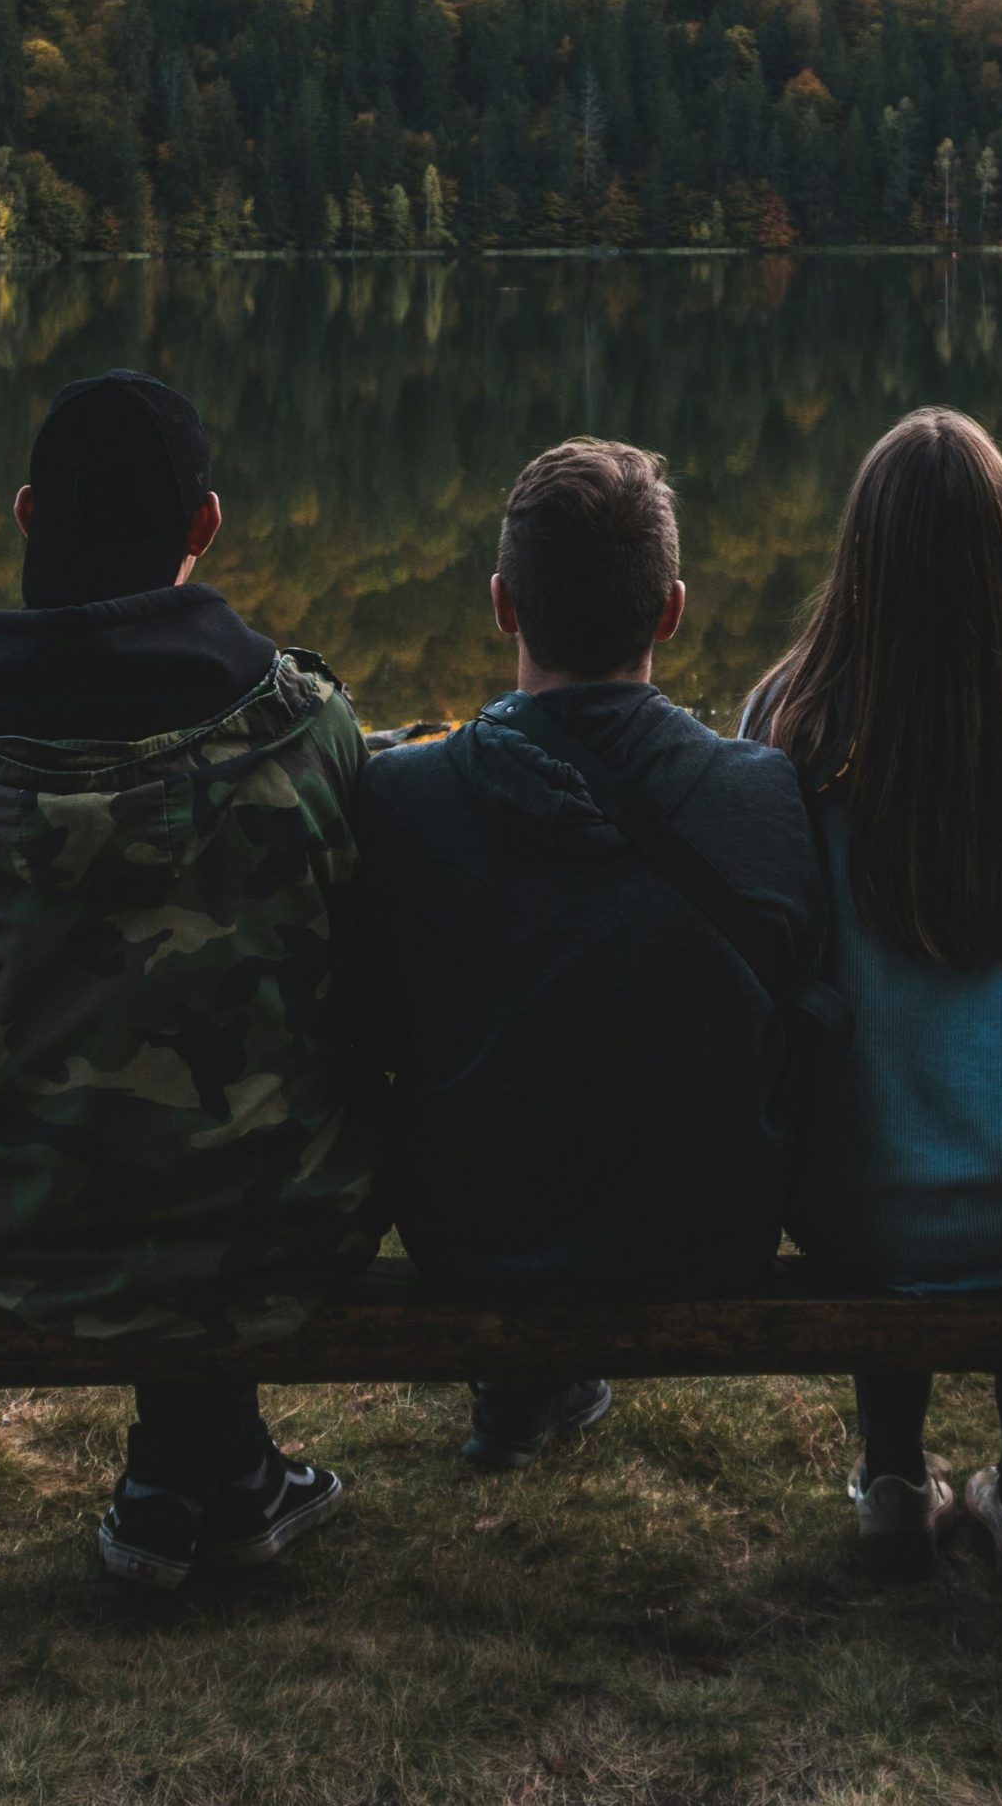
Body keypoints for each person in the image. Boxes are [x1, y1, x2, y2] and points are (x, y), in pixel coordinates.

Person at [0, 370, 381, 1593]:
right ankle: (215, 1475)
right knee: (233, 1098)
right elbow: (363, 989)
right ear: (202, 527)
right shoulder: (306, 726)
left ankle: (188, 1477)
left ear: (25, 511)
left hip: (21, 1227)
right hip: (285, 1222)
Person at [344, 438, 824, 1471]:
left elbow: (371, 1035)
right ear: (672, 608)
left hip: (476, 1240)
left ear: (503, 604)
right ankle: (529, 1392)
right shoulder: (763, 796)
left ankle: (518, 1393)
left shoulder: (400, 802)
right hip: (709, 1237)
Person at [744, 410, 1002, 1577]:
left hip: (853, 1203)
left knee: (878, 1088)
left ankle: (893, 1473)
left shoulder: (790, 722)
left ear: (858, 560)